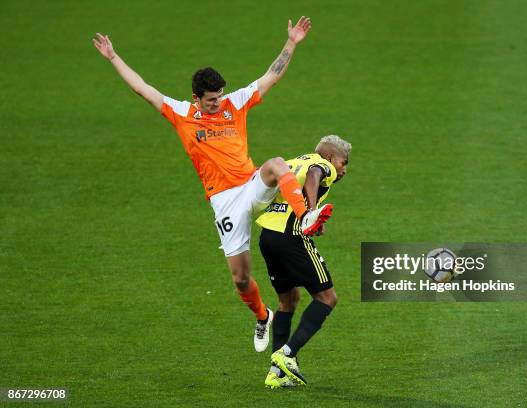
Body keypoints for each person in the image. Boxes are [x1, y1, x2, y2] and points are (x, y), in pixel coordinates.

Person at [92, 17, 333, 353]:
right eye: (210, 100)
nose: (217, 103)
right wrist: (114, 57)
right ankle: (263, 316)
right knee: (241, 278)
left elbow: (271, 76)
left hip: (252, 184)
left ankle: (305, 217)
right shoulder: (181, 113)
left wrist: (291, 42)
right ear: (196, 98)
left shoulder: (234, 103)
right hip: (224, 202)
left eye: (219, 96)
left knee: (277, 164)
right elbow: (142, 88)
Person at [255, 135, 351, 388]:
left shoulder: (293, 161)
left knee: (288, 301)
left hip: (268, 237)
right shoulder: (322, 164)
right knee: (327, 298)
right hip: (291, 238)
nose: (344, 169)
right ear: (331, 157)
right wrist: (308, 214)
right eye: (344, 162)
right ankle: (287, 354)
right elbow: (315, 174)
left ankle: (277, 373)